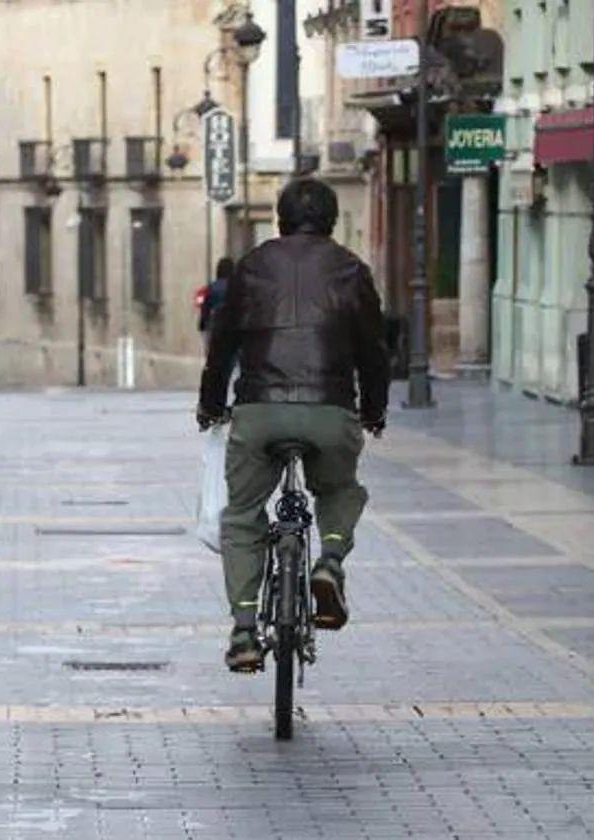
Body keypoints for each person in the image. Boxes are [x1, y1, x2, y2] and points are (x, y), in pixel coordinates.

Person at [196, 178, 389, 673]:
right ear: (332, 220)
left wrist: (210, 405)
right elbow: (373, 351)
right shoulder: (351, 268)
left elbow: (222, 346)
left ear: (279, 219)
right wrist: (374, 411)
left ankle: (243, 630)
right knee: (340, 490)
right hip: (330, 408)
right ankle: (329, 560)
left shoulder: (253, 265)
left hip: (260, 410)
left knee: (241, 515)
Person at [198, 257, 235, 334]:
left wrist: (202, 324)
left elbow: (205, 308)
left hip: (215, 327)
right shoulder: (237, 286)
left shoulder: (211, 288)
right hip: (233, 327)